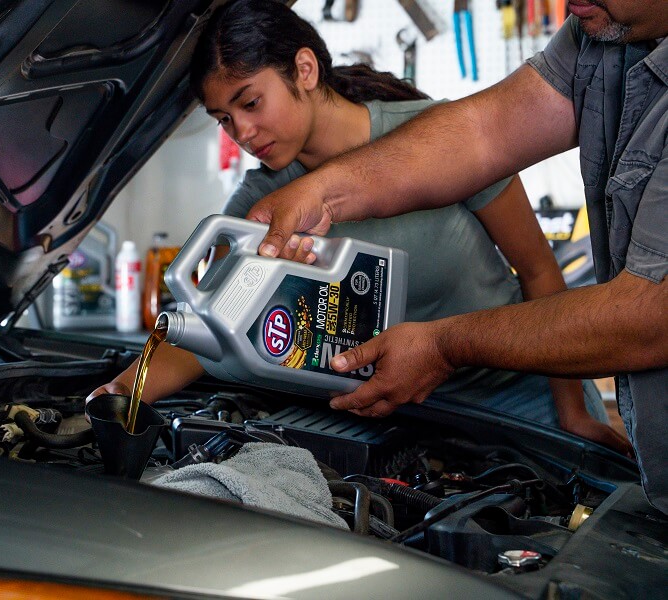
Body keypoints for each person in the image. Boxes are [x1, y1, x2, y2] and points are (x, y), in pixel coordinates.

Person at [88, 0, 629, 451]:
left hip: (516, 395)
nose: (243, 133)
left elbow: (538, 271)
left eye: (250, 102)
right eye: (224, 120)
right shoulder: (260, 207)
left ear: (304, 70)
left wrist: (573, 415)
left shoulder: (439, 139)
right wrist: (117, 393)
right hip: (399, 421)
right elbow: (199, 332)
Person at [245, 2, 666, 511]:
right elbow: (485, 133)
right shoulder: (599, 34)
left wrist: (444, 346)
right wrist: (324, 193)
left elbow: (649, 315)